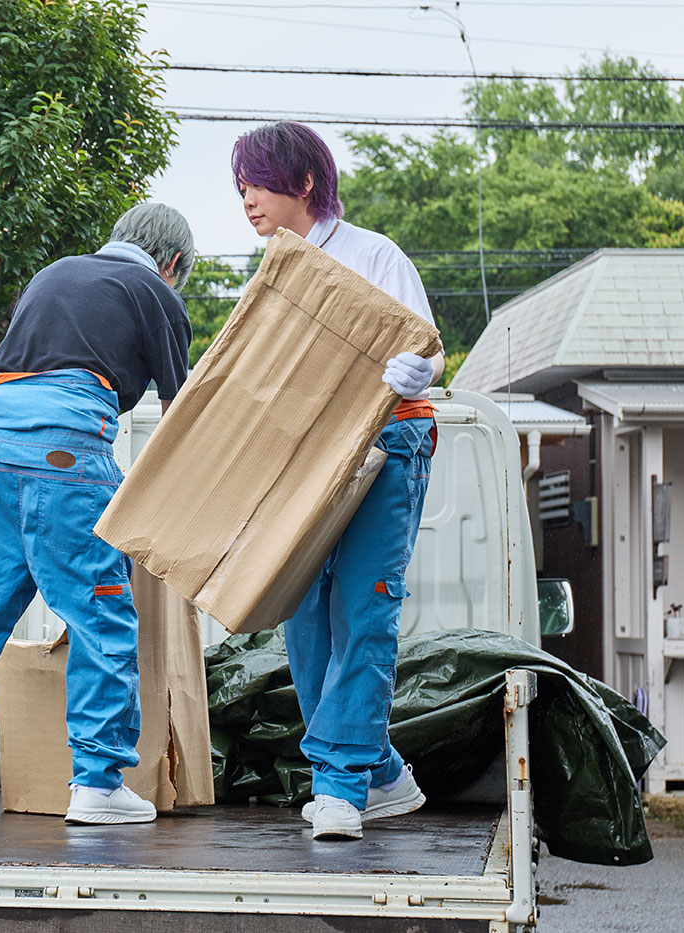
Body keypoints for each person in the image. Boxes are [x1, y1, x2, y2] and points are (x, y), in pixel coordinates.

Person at [0, 202, 195, 826]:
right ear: (172, 263)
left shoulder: (56, 272)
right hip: (65, 450)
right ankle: (96, 785)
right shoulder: (158, 294)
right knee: (98, 614)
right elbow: (184, 418)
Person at [231, 121, 444, 841]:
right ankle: (383, 773)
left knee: (366, 606)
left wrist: (417, 368)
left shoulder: (372, 254)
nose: (247, 198)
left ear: (306, 182)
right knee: (304, 610)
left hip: (388, 440)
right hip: (310, 453)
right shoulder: (275, 271)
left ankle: (341, 785)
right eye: (240, 186)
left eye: (257, 182)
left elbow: (427, 349)